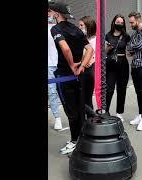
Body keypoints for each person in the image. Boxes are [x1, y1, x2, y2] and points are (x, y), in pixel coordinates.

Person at [48, 1, 94, 154]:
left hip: (64, 75)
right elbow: (90, 49)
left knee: (71, 111)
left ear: (57, 14)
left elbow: (65, 48)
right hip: (77, 76)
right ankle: (80, 138)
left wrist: (72, 65)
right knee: (79, 108)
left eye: (51, 12)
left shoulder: (55, 29)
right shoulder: (76, 29)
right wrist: (80, 67)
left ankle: (75, 141)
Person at [105, 14, 131, 121]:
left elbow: (129, 51)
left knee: (121, 89)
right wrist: (108, 48)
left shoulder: (126, 36)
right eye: (118, 22)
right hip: (110, 64)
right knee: (109, 89)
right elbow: (104, 52)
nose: (119, 24)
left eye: (121, 22)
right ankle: (105, 111)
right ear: (113, 22)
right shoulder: (108, 35)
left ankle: (119, 112)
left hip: (123, 64)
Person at [78, 16, 96, 110]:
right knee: (81, 98)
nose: (79, 27)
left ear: (88, 26)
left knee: (87, 99)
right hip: (80, 70)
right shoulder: (81, 38)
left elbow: (94, 56)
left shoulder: (95, 40)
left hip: (89, 71)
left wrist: (90, 60)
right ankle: (83, 120)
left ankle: (90, 120)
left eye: (81, 25)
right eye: (79, 25)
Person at [48, 14, 62, 130]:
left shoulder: (60, 27)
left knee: (65, 92)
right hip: (49, 65)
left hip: (62, 64)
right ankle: (57, 118)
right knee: (52, 92)